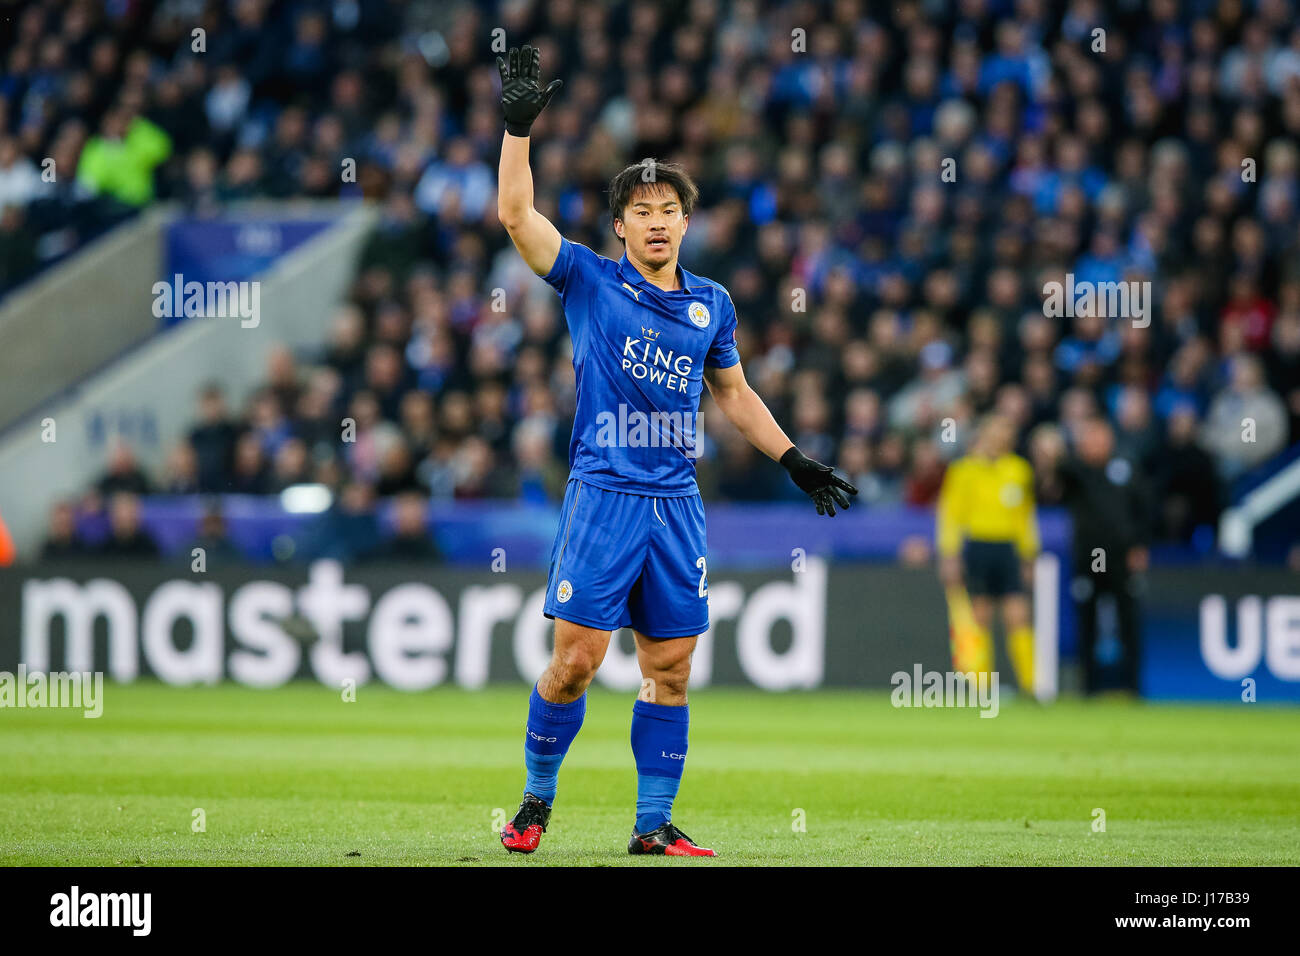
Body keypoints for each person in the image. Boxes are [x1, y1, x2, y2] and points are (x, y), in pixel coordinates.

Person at [494, 46, 856, 858]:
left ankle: (651, 825)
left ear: (686, 223)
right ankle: (535, 802)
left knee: (672, 669)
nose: (657, 220)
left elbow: (732, 394)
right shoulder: (586, 279)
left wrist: (793, 458)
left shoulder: (711, 305)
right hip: (603, 496)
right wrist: (517, 129)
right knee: (576, 665)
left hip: (675, 505)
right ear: (619, 225)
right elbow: (517, 216)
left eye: (670, 209)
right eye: (642, 209)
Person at [935, 414, 1039, 694]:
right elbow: (951, 515)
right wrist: (949, 554)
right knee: (979, 616)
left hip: (1008, 549)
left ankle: (1031, 688)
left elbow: (1025, 517)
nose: (1000, 439)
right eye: (995, 432)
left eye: (1005, 433)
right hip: (978, 547)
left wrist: (1029, 555)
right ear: (984, 435)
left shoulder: (1019, 470)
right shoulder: (964, 470)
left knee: (1018, 616)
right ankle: (980, 686)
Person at [1050, 417, 1149, 695]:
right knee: (1087, 623)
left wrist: (1140, 545)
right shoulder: (1076, 472)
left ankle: (1133, 686)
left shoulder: (1125, 468)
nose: (1096, 444)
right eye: (1090, 439)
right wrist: (1056, 450)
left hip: (1121, 556)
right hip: (1090, 556)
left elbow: (1144, 508)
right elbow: (1054, 481)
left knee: (1129, 621)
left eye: (1100, 437)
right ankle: (1088, 688)